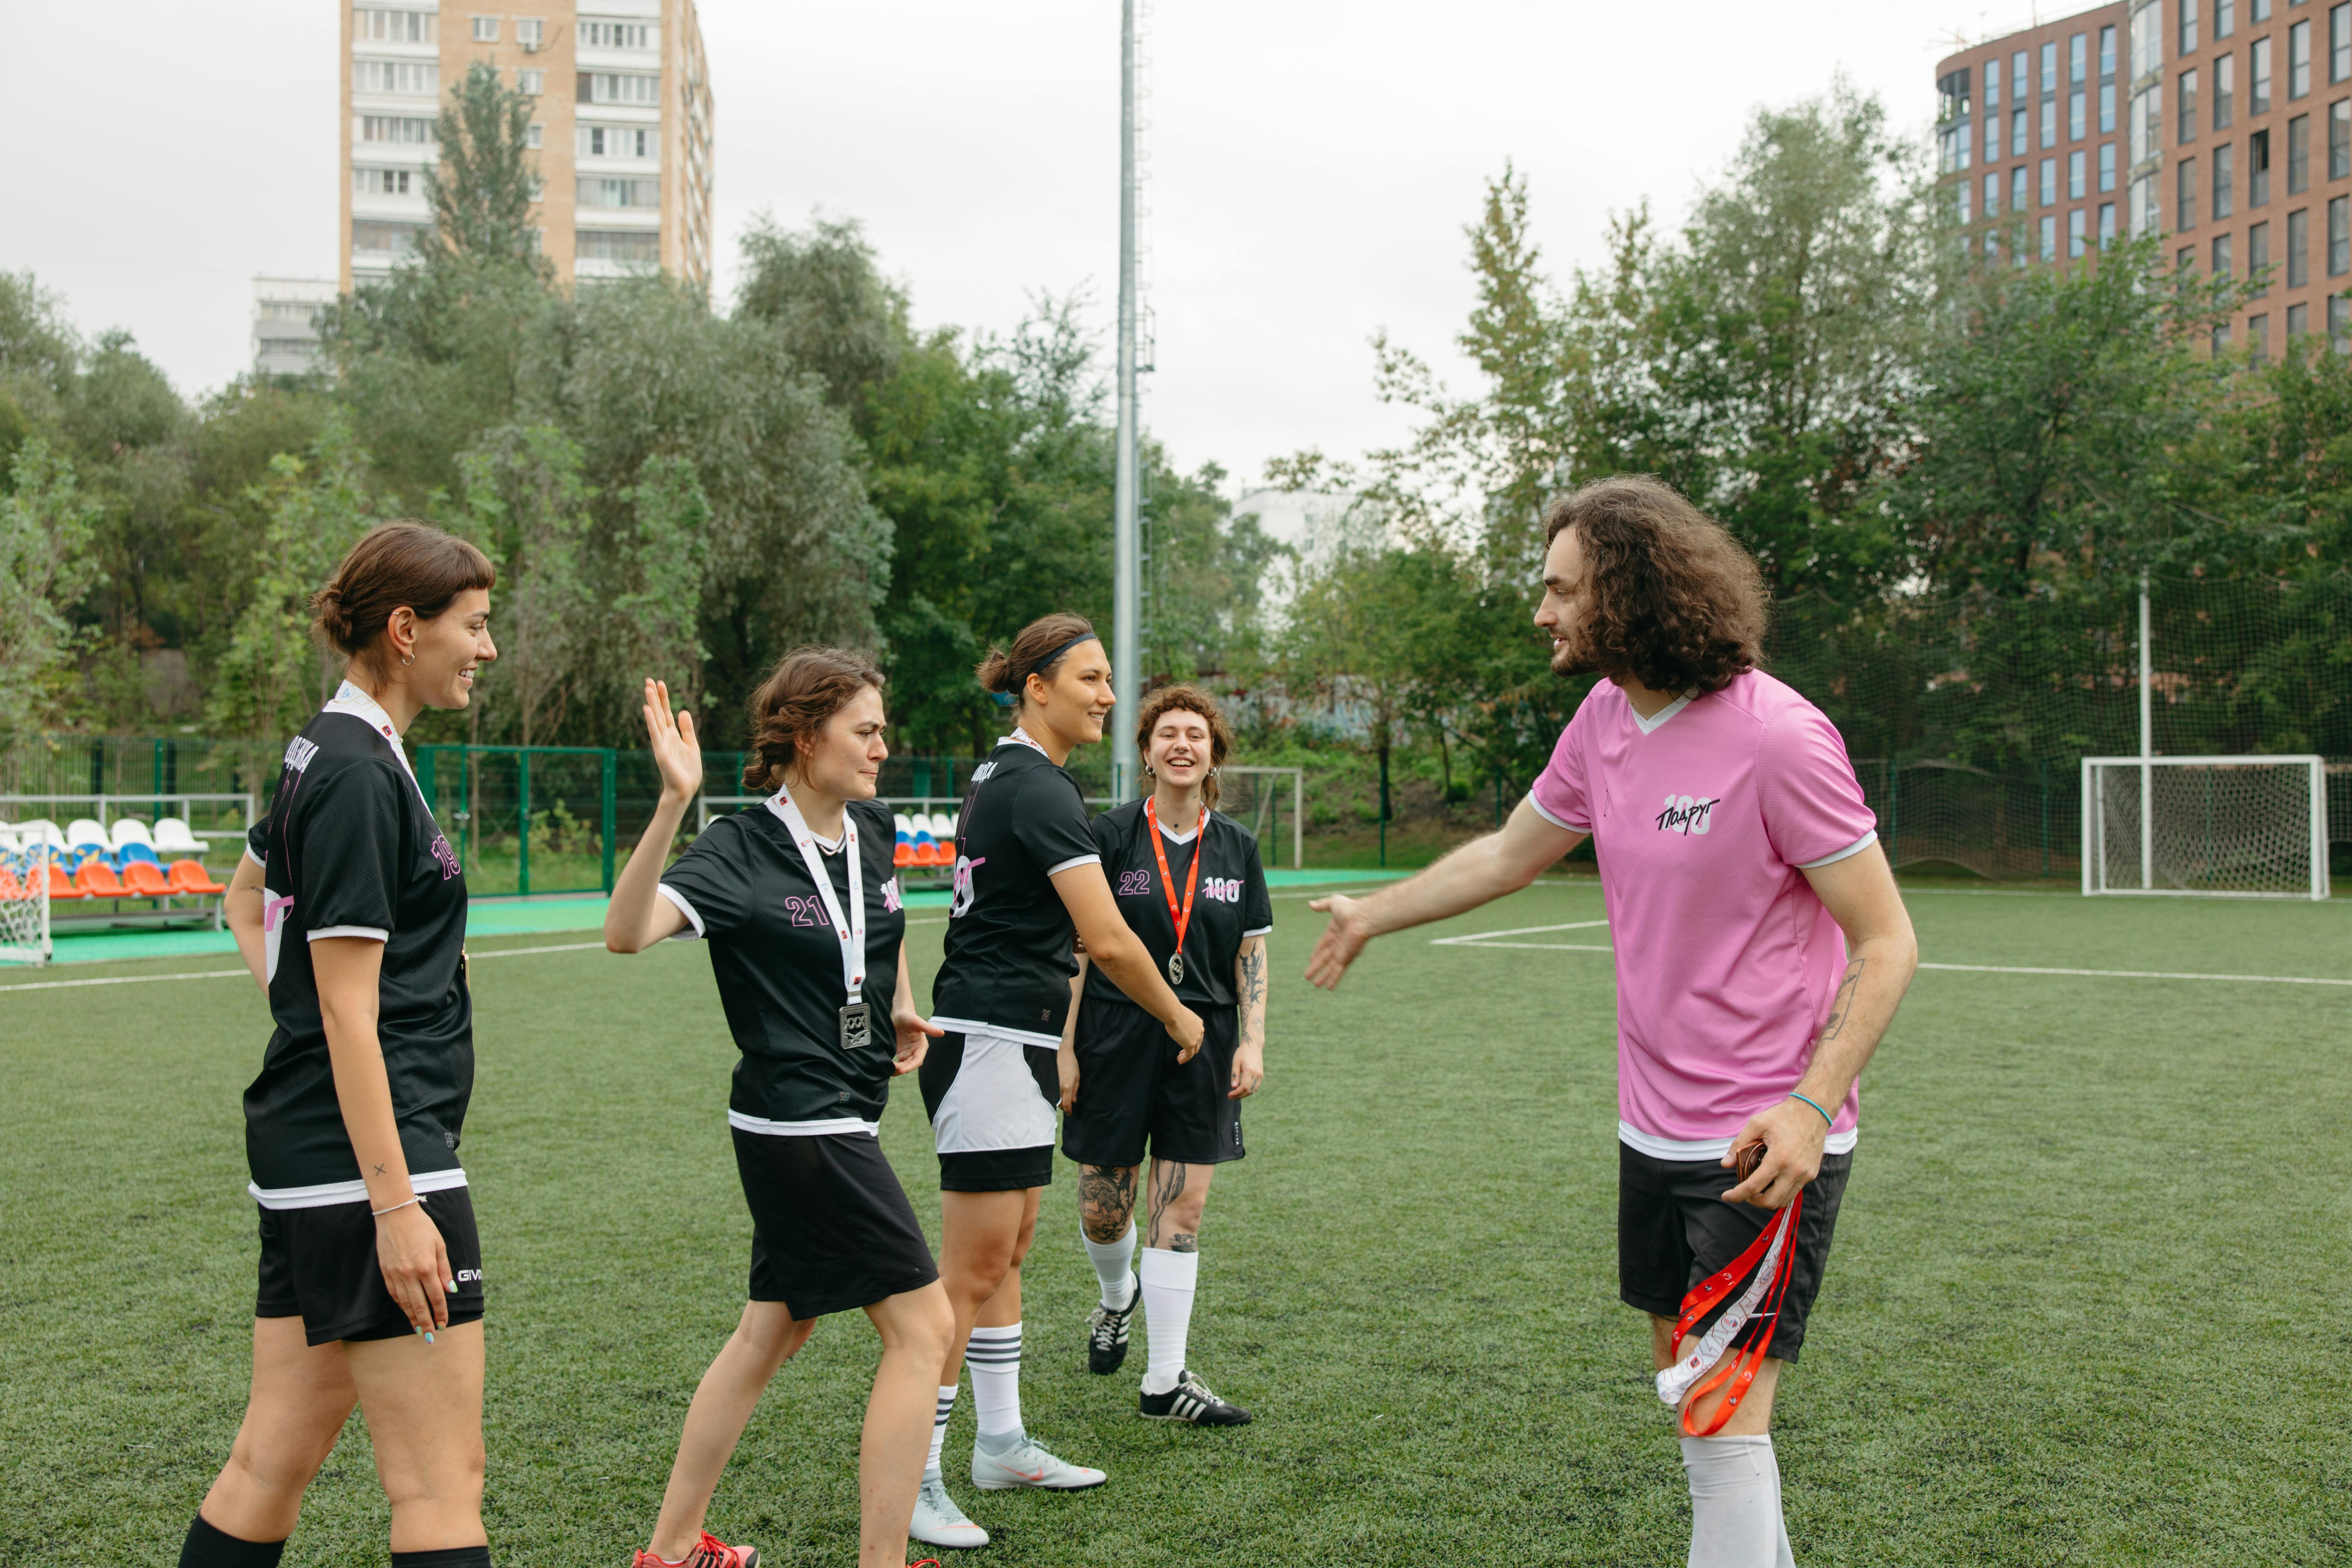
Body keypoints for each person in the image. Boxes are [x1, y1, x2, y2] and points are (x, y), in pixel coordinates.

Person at [1303, 476, 1919, 1568]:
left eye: (1561, 590)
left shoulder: (1780, 738)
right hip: (1651, 1130)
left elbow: (1888, 942)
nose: (1542, 613)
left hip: (1762, 1141)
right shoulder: (1603, 721)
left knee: (1723, 1422)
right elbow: (1508, 854)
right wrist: (1372, 915)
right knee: (1700, 1411)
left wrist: (1810, 1108)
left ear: (1627, 594)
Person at [184, 521, 499, 1568]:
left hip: (311, 1156)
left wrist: (312, 1016)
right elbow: (345, 1011)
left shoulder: (329, 745)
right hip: (375, 1163)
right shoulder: (360, 770)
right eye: (475, 625)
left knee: (270, 1463)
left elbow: (245, 902)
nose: (488, 649)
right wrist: (398, 1202)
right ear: (406, 630)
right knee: (440, 1486)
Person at [601, 650, 957, 1568]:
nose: (884, 747)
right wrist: (675, 802)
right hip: (800, 1125)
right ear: (805, 738)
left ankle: (673, 1550)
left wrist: (897, 1004)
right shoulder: (740, 849)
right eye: (865, 731)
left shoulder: (873, 831)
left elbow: (881, 927)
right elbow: (627, 933)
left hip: (843, 1109)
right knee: (925, 1329)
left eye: (883, 729)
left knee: (774, 1329)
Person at [908, 613, 1205, 1552]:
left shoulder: (1014, 774)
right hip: (992, 1042)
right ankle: (914, 1478)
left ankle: (999, 1446)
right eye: (1091, 678)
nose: (1108, 696)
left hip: (1015, 1038)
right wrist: (1178, 1015)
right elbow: (1111, 940)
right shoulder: (1037, 784)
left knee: (1010, 1249)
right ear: (1037, 685)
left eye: (1110, 678)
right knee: (968, 1274)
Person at [1058, 685, 1269, 1427]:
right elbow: (1081, 952)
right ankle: (1117, 1298)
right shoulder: (1110, 835)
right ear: (1145, 751)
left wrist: (1252, 1038)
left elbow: (1251, 950)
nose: (1183, 744)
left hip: (1204, 1040)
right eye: (1168, 733)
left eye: (1197, 734)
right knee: (1103, 1206)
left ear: (1213, 753)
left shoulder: (1237, 845)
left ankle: (1164, 1378)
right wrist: (1065, 1048)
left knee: (1183, 1208)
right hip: (1114, 1033)